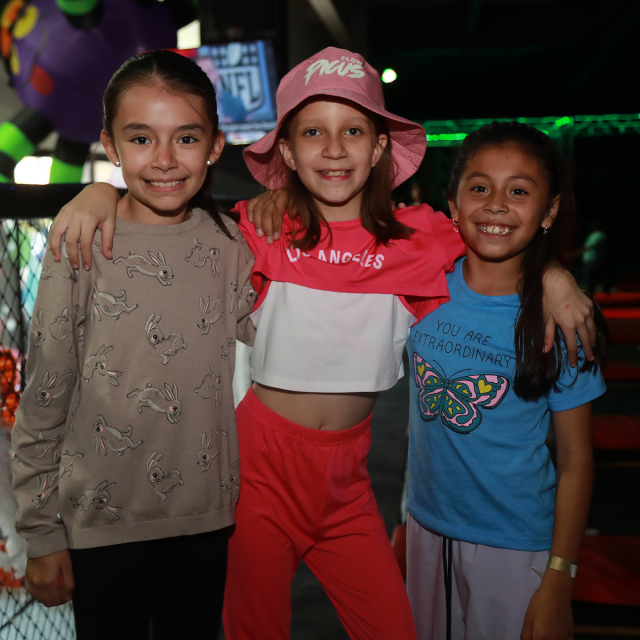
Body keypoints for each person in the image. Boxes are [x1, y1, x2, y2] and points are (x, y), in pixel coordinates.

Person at [47, 48, 597, 640]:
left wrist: (555, 278)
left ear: (379, 147)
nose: (334, 149)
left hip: (349, 484)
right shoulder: (259, 229)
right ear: (287, 151)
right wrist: (96, 193)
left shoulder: (422, 238)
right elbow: (170, 215)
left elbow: (498, 235)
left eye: (352, 131)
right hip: (259, 473)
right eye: (313, 132)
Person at [10, 50, 255, 640]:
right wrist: (40, 532)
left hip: (205, 523)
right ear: (111, 145)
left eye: (186, 138)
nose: (165, 159)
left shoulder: (234, 246)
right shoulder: (81, 241)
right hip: (99, 527)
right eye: (141, 138)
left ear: (215, 146)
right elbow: (45, 393)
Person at [405, 122, 608, 640]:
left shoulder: (561, 320)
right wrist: (406, 518)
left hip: (514, 546)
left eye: (519, 191)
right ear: (452, 204)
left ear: (550, 211)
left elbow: (577, 459)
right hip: (425, 531)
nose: (496, 204)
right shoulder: (420, 286)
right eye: (479, 187)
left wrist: (560, 576)